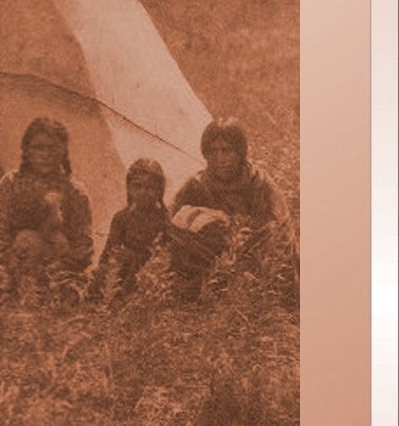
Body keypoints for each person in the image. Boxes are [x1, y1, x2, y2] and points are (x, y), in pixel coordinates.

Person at [169, 119, 296, 300]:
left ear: (240, 153)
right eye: (213, 151)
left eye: (226, 151)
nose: (220, 159)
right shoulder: (197, 185)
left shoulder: (259, 184)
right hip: (208, 265)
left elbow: (279, 229)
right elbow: (172, 223)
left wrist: (239, 235)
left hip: (254, 262)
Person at [0, 116, 92, 301]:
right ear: (26, 150)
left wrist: (56, 267)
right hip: (14, 265)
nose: (45, 154)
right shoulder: (9, 184)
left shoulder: (74, 191)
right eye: (38, 147)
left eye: (52, 148)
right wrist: (16, 264)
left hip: (60, 269)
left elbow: (84, 245)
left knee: (71, 297)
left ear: (64, 151)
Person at [89, 157, 170, 302]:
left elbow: (167, 253)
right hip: (125, 270)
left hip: (151, 272)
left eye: (150, 187)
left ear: (160, 191)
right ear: (129, 188)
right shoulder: (122, 218)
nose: (143, 192)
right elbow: (109, 252)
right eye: (137, 186)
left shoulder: (164, 219)